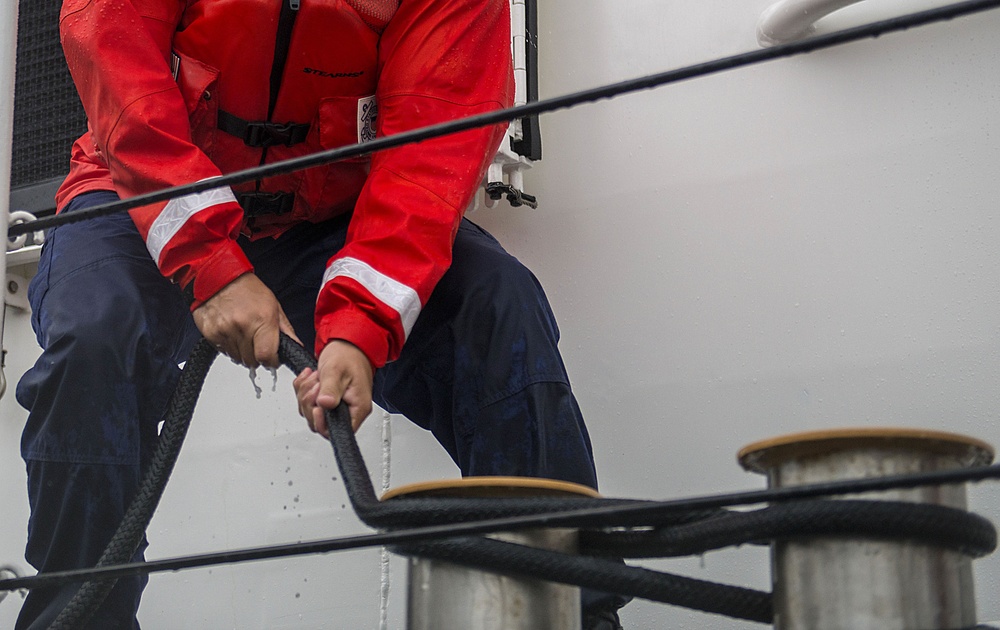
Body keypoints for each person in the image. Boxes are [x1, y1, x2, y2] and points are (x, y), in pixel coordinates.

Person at [14, 0, 626, 628]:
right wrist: (211, 264)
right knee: (95, 338)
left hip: (331, 209)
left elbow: (434, 141)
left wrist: (360, 327)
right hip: (140, 184)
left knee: (497, 306)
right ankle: (78, 620)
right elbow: (120, 64)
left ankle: (567, 613)